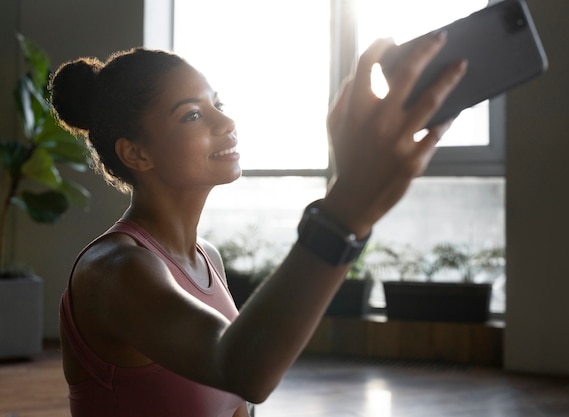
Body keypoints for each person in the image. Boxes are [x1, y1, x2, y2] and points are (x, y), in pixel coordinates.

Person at [50, 31, 466, 417]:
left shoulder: (205, 258)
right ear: (137, 154)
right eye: (193, 115)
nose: (226, 123)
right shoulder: (114, 271)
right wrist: (347, 211)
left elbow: (238, 402)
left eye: (219, 105)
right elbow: (240, 369)